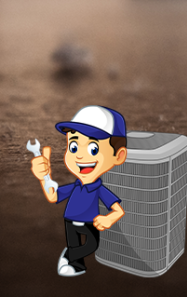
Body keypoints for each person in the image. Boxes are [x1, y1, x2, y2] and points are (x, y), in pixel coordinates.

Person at [31, 105, 129, 277]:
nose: (80, 157)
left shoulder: (99, 189)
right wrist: (42, 178)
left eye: (93, 149)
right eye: (74, 147)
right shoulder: (74, 187)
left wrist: (109, 219)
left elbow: (118, 210)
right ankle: (76, 265)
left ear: (119, 156)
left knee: (91, 245)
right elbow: (53, 197)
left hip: (90, 222)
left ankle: (68, 257)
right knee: (76, 246)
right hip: (69, 220)